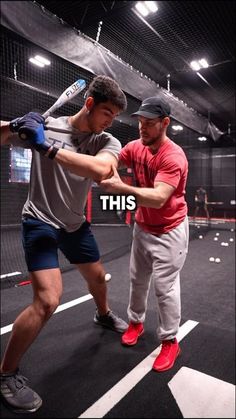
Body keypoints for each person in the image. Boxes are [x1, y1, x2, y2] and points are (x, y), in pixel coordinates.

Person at [0, 75, 128, 413]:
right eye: (106, 112)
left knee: (98, 279)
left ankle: (103, 315)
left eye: (114, 115)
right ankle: (6, 373)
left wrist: (47, 148)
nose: (110, 121)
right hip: (40, 221)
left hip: (74, 226)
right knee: (47, 299)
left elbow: (102, 171)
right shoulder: (48, 126)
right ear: (89, 104)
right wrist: (15, 124)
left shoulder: (106, 141)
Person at [100, 96, 189, 372]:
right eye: (140, 122)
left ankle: (170, 340)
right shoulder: (135, 147)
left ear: (165, 123)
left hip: (170, 230)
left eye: (149, 123)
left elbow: (159, 198)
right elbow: (111, 161)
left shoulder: (173, 156)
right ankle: (136, 323)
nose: (142, 128)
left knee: (165, 289)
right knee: (137, 280)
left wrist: (121, 189)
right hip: (143, 226)